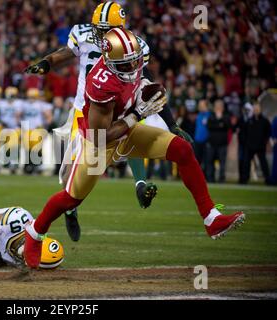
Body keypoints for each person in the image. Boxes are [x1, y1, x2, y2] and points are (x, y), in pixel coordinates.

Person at [23, 28, 246, 269]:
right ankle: (34, 233)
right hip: (98, 142)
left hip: (126, 129)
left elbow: (142, 84)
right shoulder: (100, 83)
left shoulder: (133, 58)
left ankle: (211, 218)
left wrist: (154, 100)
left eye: (135, 61)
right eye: (127, 64)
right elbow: (102, 137)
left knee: (182, 150)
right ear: (110, 61)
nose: (134, 68)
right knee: (70, 199)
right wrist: (138, 113)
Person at [25, 2, 193, 242]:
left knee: (132, 131)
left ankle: (139, 182)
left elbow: (149, 82)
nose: (99, 34)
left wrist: (171, 123)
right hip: (85, 109)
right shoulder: (83, 34)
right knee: (75, 168)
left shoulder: (132, 47)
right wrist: (46, 63)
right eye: (98, 28)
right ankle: (71, 207)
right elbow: (64, 54)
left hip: (120, 105)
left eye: (105, 29)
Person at [242, 103, 272, 184]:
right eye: (254, 109)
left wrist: (264, 142)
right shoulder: (249, 120)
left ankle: (268, 179)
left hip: (260, 146)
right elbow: (244, 132)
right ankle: (244, 179)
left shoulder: (265, 121)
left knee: (263, 163)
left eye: (257, 109)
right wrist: (246, 142)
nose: (256, 111)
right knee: (246, 164)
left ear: (260, 110)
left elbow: (268, 132)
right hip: (249, 145)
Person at [206, 100, 230, 183]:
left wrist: (219, 120)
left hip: (222, 144)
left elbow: (227, 126)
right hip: (212, 143)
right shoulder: (211, 116)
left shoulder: (226, 116)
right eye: (216, 107)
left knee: (222, 163)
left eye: (220, 107)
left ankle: (221, 179)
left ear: (222, 108)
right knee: (210, 162)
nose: (218, 108)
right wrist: (219, 124)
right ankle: (210, 179)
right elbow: (209, 126)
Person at [194, 99, 210, 175]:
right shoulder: (198, 115)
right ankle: (197, 175)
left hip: (206, 141)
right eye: (199, 105)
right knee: (197, 160)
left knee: (206, 160)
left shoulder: (209, 115)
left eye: (201, 105)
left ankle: (206, 176)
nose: (199, 106)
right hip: (197, 141)